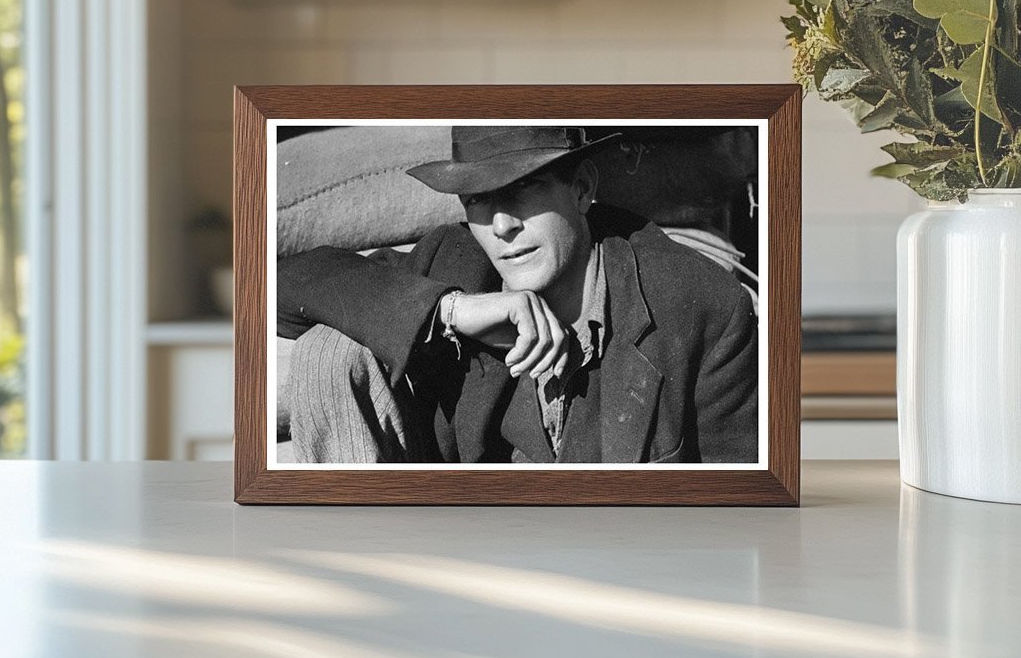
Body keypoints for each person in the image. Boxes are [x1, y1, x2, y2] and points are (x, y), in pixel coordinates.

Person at [277, 126, 758, 464]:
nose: (502, 227)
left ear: (582, 188)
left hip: (620, 567)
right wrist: (452, 309)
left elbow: (735, 506)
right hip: (465, 559)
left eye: (525, 188)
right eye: (479, 201)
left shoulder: (702, 305)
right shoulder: (455, 260)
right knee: (329, 350)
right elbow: (286, 286)